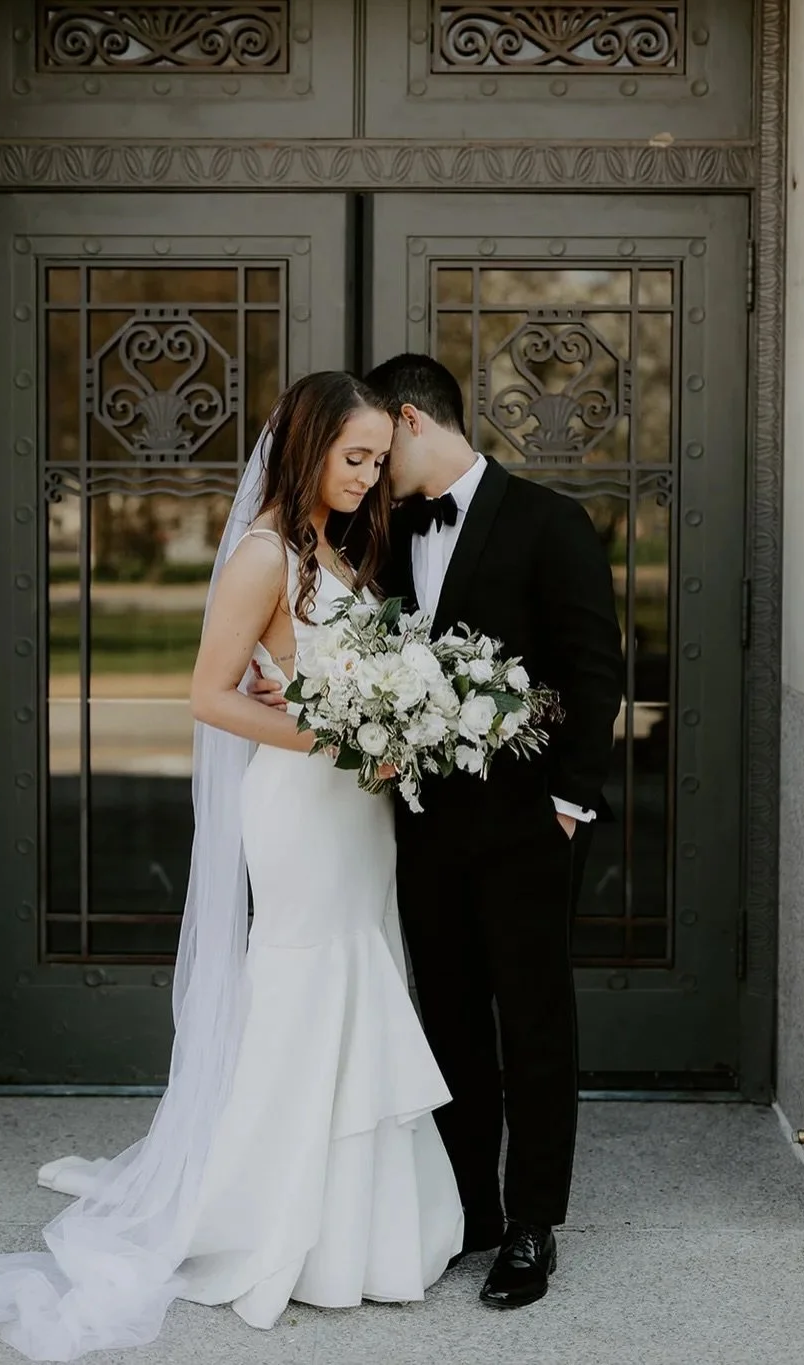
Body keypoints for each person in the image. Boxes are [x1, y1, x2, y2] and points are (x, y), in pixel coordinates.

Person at [0, 371, 463, 1359]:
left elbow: (309, 678)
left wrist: (387, 722)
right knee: (305, 984)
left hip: (356, 815)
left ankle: (362, 1225)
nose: (370, 478)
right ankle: (272, 1219)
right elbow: (208, 695)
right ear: (308, 448)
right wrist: (338, 737)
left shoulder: (334, 547)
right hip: (301, 809)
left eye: (379, 461)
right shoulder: (261, 555)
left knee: (360, 967)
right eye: (355, 458)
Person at [253, 354, 624, 1308]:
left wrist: (567, 806)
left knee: (533, 1022)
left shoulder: (549, 521)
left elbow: (594, 673)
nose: (374, 469)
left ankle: (533, 1222)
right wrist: (285, 681)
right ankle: (470, 1206)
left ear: (412, 419)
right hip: (416, 830)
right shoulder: (381, 532)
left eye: (382, 447)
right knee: (448, 1019)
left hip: (529, 828)